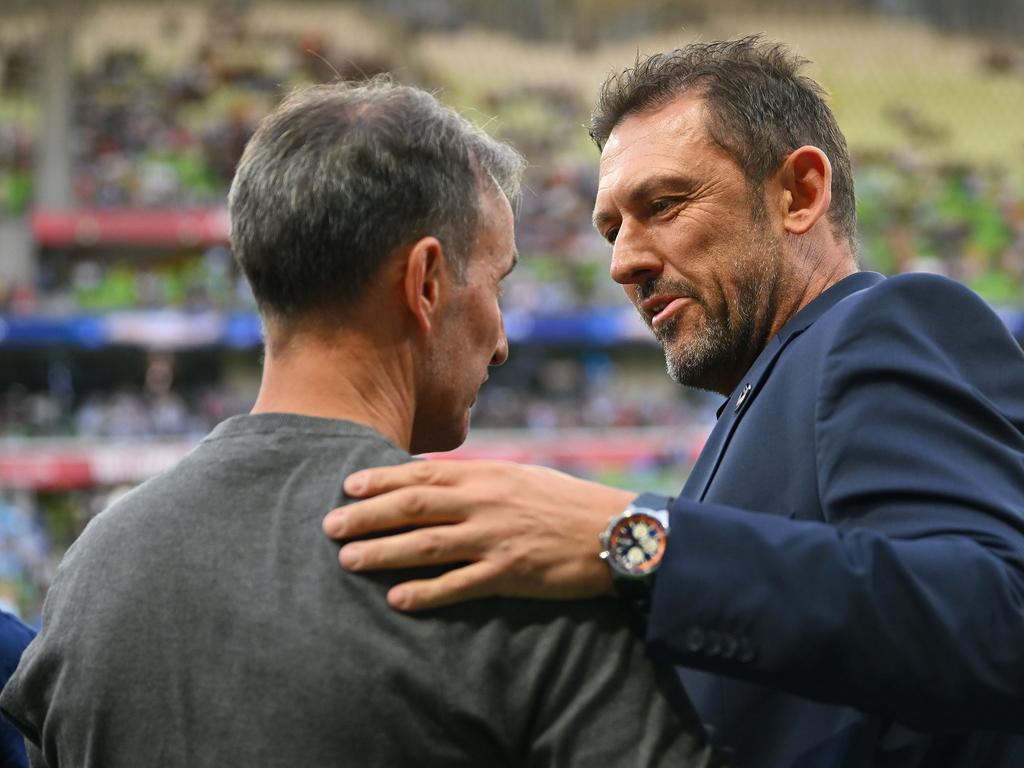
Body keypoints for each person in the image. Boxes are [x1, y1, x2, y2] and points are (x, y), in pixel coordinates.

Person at [322, 37, 1024, 765]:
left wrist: (628, 539)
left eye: (662, 205)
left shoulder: (881, 326)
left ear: (799, 194)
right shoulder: (763, 396)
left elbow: (1000, 618)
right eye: (611, 229)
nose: (625, 260)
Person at [0, 79, 720, 767]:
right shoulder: (504, 563)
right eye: (496, 283)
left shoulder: (91, 574)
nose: (501, 342)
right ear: (426, 282)